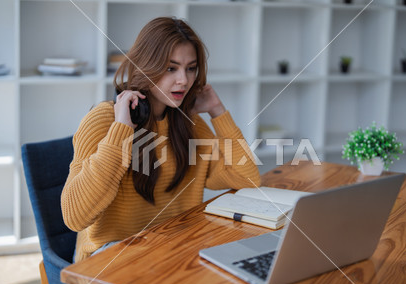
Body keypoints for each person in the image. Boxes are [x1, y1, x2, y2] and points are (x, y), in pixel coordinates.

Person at [61, 17, 261, 262]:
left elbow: (247, 178)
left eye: (190, 68)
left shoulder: (191, 124)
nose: (184, 81)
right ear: (145, 65)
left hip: (170, 249)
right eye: (171, 68)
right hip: (110, 258)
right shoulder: (105, 120)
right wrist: (122, 129)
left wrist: (218, 111)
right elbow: (74, 217)